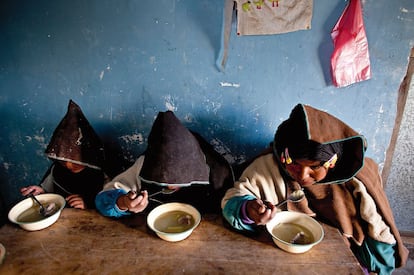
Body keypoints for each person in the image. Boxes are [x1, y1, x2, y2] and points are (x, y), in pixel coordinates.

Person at [221, 103, 408, 275]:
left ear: (331, 163)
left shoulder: (356, 182)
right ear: (284, 155)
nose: (302, 175)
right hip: (277, 258)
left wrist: (364, 269)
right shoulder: (268, 166)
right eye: (293, 163)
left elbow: (378, 235)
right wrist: (248, 210)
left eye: (315, 167)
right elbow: (235, 199)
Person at [95, 110, 234, 217]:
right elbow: (103, 200)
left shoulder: (218, 172)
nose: (169, 185)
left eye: (179, 177)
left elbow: (231, 210)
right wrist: (123, 203)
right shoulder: (145, 164)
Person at [20, 100, 107, 209]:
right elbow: (47, 190)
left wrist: (88, 203)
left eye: (75, 162)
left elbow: (111, 203)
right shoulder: (57, 169)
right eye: (63, 161)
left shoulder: (100, 175)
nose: (69, 166)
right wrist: (40, 192)